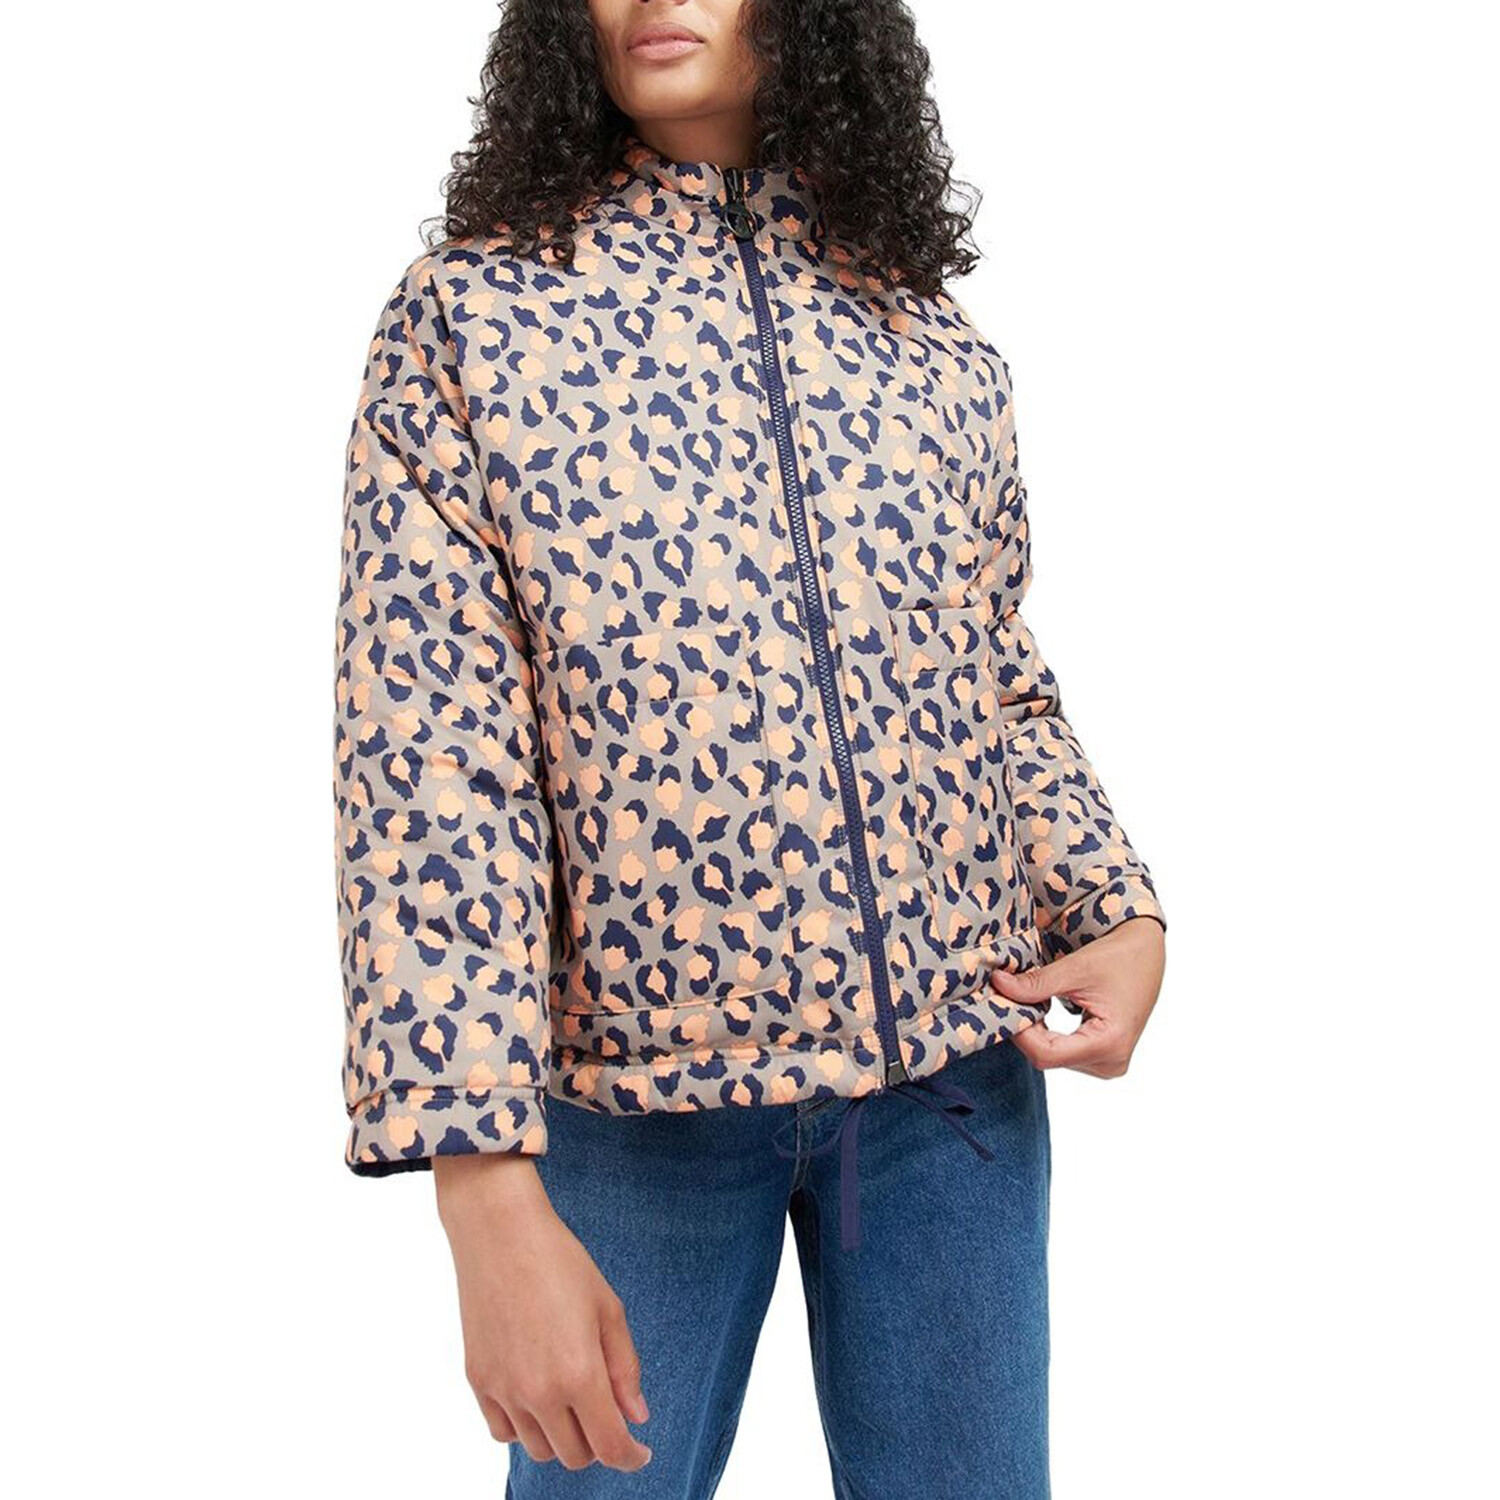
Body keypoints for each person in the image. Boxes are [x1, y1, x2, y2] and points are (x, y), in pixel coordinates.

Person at [332, 1, 1167, 1494]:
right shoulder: (472, 320)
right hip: (627, 1119)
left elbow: (993, 673)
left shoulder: (930, 341)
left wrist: (1110, 902)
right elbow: (431, 769)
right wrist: (482, 1188)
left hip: (951, 1096)